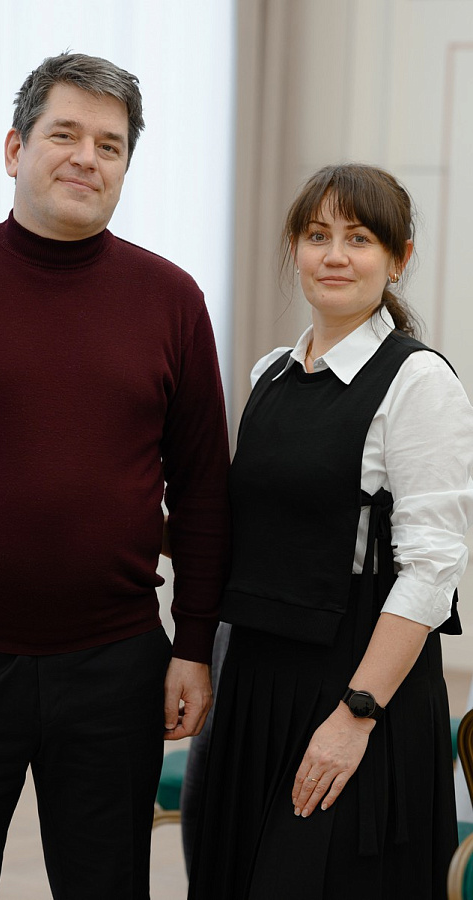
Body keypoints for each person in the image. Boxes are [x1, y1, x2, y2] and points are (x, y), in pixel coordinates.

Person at [0, 52, 230, 900]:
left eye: (110, 145)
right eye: (64, 134)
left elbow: (204, 489)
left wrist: (193, 643)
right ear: (14, 149)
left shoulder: (170, 299)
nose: (86, 158)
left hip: (114, 665)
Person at [187, 163, 473, 900]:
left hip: (357, 677)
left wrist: (356, 714)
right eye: (317, 236)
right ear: (294, 249)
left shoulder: (418, 382)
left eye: (359, 238)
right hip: (256, 678)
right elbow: (256, 527)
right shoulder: (270, 373)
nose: (335, 255)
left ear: (398, 258)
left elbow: (432, 568)